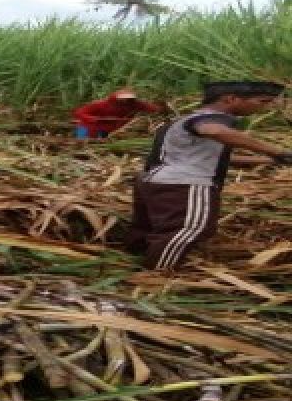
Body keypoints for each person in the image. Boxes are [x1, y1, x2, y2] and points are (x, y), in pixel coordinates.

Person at [127, 80, 291, 271]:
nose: (265, 107)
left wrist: (271, 161)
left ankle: (130, 265)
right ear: (230, 99)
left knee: (148, 229)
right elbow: (215, 131)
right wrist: (275, 151)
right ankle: (155, 275)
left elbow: (211, 156)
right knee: (190, 229)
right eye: (263, 101)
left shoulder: (184, 121)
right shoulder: (214, 119)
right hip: (185, 184)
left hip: (155, 181)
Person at [72, 89, 164, 139]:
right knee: (84, 131)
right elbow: (80, 112)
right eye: (123, 99)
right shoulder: (101, 105)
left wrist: (160, 109)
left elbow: (151, 108)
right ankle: (81, 140)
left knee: (104, 137)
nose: (125, 101)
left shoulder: (135, 104)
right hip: (95, 125)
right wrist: (92, 119)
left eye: (128, 99)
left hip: (115, 129)